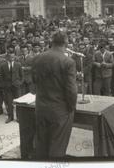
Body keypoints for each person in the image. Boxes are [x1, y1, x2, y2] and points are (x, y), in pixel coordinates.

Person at [32, 30, 77, 159]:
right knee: (57, 147)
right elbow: (71, 90)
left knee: (42, 145)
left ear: (52, 42)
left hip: (41, 108)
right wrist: (71, 108)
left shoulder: (37, 58)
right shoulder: (68, 62)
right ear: (66, 42)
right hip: (60, 111)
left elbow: (34, 81)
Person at [0, 47, 23, 123]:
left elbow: (22, 76)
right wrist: (4, 85)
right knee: (9, 102)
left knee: (18, 102)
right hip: (8, 87)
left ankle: (19, 117)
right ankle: (10, 117)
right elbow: (1, 77)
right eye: (10, 57)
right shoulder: (3, 66)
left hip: (17, 87)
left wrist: (19, 83)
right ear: (7, 57)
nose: (12, 58)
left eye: (13, 56)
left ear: (15, 56)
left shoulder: (18, 64)